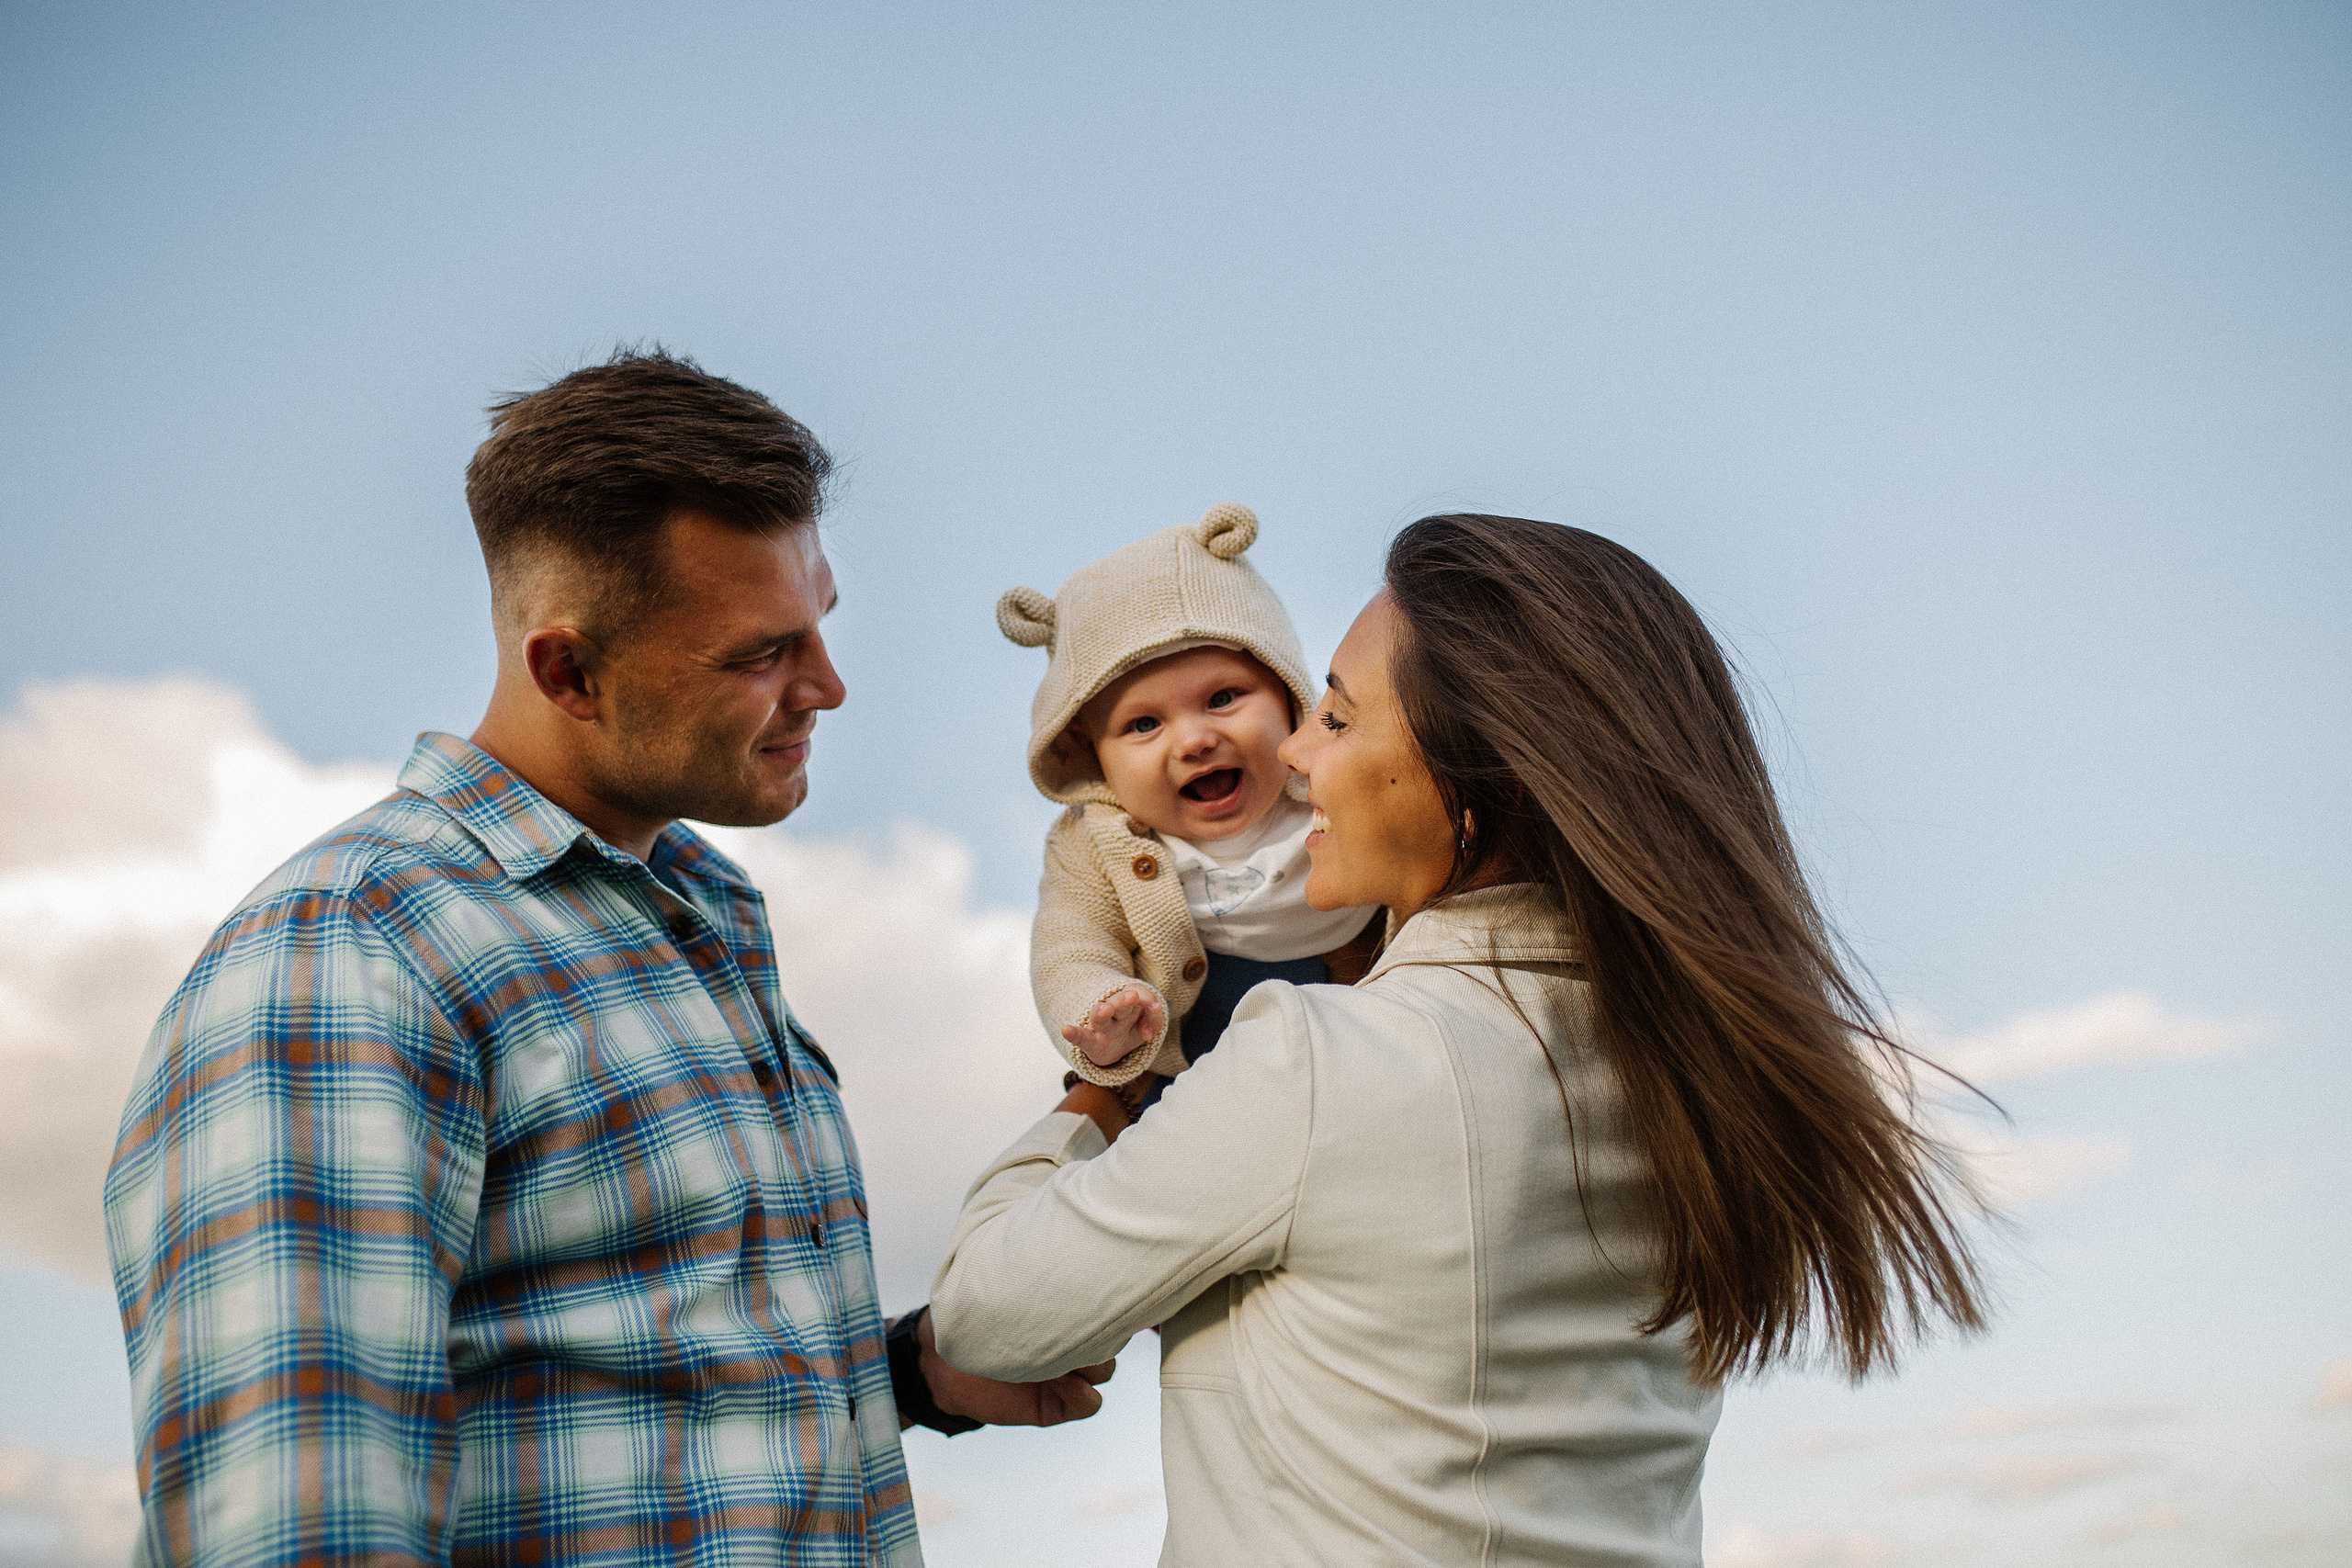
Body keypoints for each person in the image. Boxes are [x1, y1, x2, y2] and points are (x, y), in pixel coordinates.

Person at [103, 350, 1112, 1568]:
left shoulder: (696, 911)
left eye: (821, 625)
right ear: (568, 669)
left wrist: (906, 1372)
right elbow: (298, 1521)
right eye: (758, 653)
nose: (828, 687)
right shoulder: (355, 954)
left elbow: (628, 1391)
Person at [931, 514, 1986, 1564]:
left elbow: (984, 1317)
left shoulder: (1319, 1066)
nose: (1296, 751)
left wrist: (1099, 1093)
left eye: (1336, 719)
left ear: (1488, 775)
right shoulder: (1696, 1069)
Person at [994, 503, 1378, 1106]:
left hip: (1359, 1018)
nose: (1195, 740)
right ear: (1090, 753)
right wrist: (1099, 1008)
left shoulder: (1335, 778)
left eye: (1223, 697)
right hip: (1194, 1057)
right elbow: (1071, 940)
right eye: (1144, 723)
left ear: (1286, 692)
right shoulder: (1093, 843)